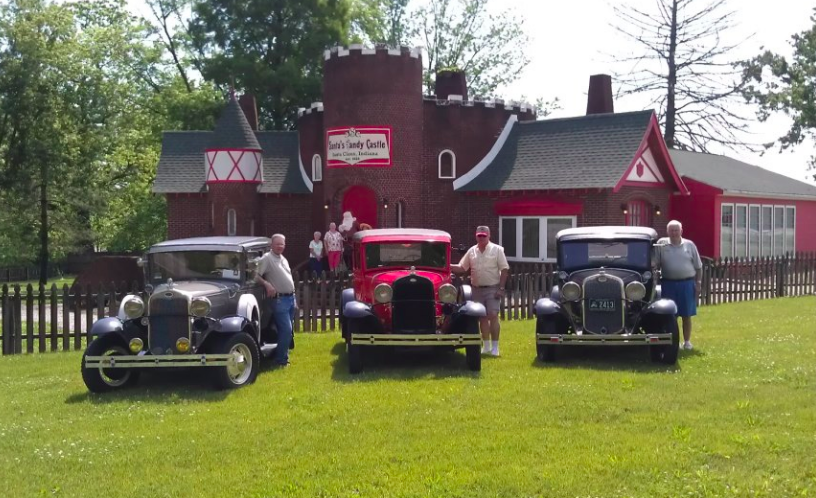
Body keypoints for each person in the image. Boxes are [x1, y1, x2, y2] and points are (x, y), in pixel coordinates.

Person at [451, 225, 509, 357]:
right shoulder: (472, 251)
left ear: (489, 236)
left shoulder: (497, 250)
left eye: (484, 236)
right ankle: (486, 345)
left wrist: (501, 288)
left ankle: (495, 347)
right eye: (479, 236)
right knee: (482, 317)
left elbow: (504, 270)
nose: (481, 238)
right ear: (476, 236)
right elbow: (462, 267)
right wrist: (447, 265)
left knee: (493, 315)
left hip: (493, 288)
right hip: (476, 289)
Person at [654, 220, 703, 351]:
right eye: (672, 230)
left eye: (676, 230)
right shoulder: (661, 244)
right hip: (668, 283)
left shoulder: (689, 245)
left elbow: (699, 267)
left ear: (681, 231)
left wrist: (698, 283)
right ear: (667, 231)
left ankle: (687, 342)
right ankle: (674, 342)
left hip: (687, 283)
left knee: (686, 315)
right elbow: (655, 264)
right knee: (670, 315)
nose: (674, 233)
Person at [255, 234, 296, 366]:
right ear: (271, 245)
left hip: (290, 298)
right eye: (277, 244)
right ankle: (280, 360)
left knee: (287, 331)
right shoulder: (267, 258)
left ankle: (283, 356)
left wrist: (293, 298)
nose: (280, 246)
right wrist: (267, 284)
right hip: (279, 300)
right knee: (286, 330)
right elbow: (255, 275)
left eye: (282, 244)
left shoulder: (283, 258)